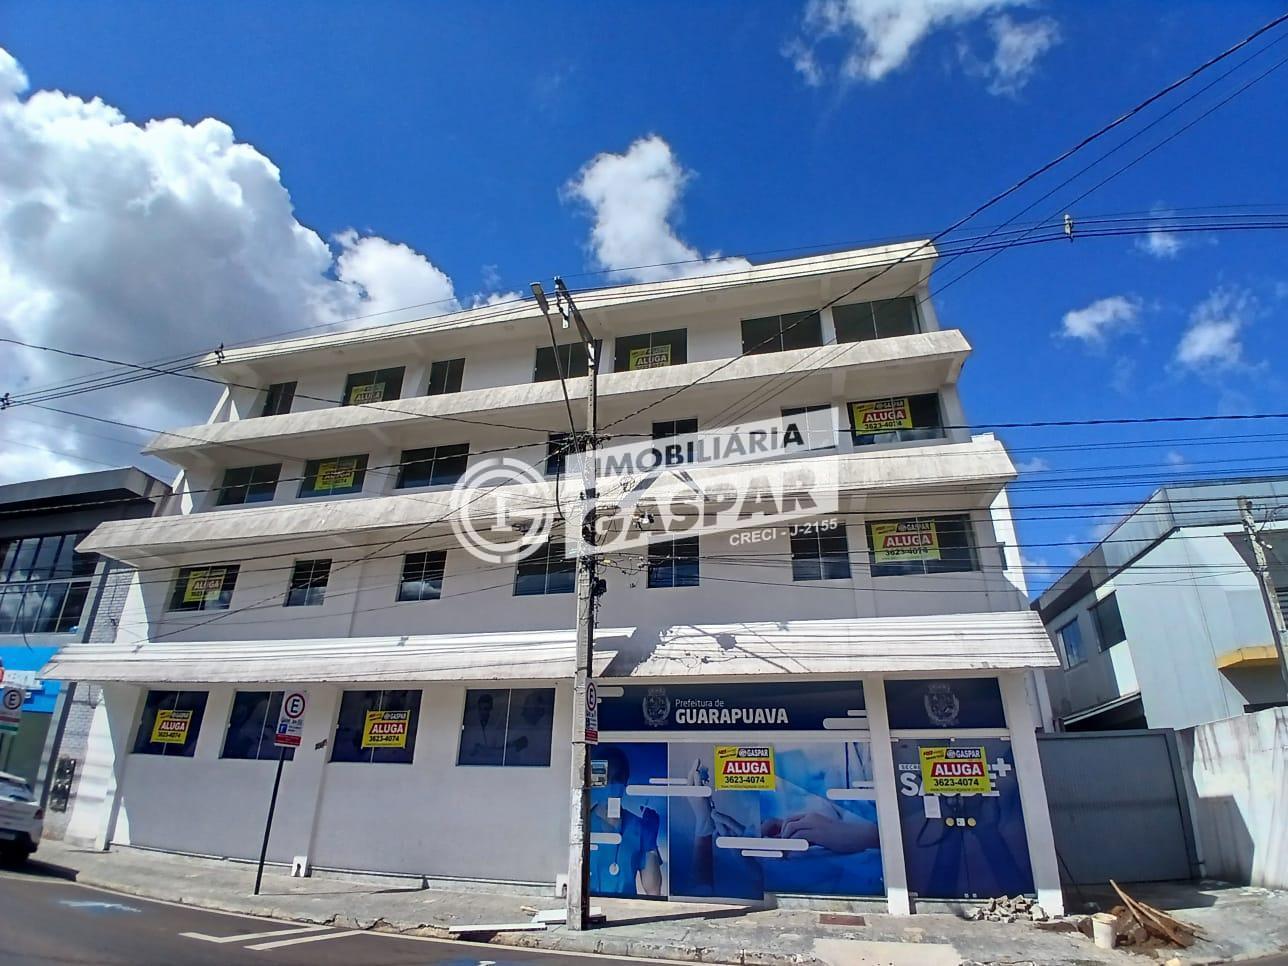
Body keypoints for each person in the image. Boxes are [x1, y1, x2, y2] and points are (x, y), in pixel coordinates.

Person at [590, 746, 663, 897]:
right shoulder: (582, 825)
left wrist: (651, 841)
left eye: (617, 778)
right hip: (590, 907)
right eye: (605, 778)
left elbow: (653, 890)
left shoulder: (639, 827)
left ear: (625, 781)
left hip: (625, 908)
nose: (611, 785)